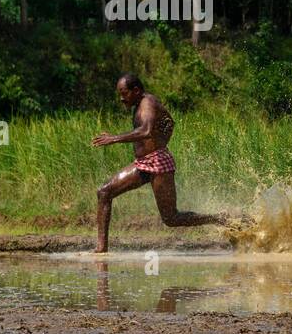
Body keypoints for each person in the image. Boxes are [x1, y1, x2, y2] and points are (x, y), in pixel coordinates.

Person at [90, 73, 227, 253]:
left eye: (124, 94)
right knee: (104, 191)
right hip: (142, 164)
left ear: (136, 90)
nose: (121, 99)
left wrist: (114, 139)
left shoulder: (147, 103)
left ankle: (220, 219)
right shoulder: (140, 104)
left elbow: (146, 130)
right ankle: (101, 249)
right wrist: (163, 137)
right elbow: (170, 122)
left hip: (157, 162)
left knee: (171, 219)